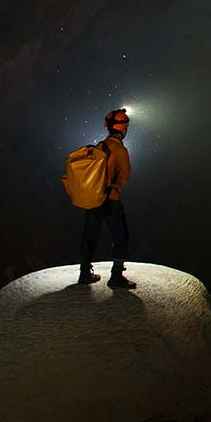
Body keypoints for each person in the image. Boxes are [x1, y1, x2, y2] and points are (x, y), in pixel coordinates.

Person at [78, 108, 137, 288]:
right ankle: (116, 276)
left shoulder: (99, 146)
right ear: (123, 129)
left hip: (93, 198)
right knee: (121, 237)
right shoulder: (120, 150)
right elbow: (125, 177)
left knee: (90, 236)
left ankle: (84, 273)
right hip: (110, 199)